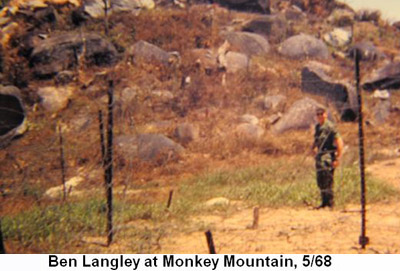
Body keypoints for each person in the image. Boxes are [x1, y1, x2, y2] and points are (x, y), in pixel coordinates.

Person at [311, 108, 344, 209]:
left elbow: (339, 142)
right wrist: (313, 148)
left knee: (327, 179)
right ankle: (324, 202)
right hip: (320, 157)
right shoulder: (318, 127)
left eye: (321, 114)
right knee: (320, 180)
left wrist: (337, 158)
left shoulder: (330, 127)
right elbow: (316, 141)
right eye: (318, 114)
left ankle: (330, 203)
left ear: (325, 115)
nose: (320, 116)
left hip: (328, 157)